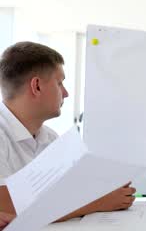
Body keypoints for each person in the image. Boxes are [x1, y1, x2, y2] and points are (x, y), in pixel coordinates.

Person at [0, 41, 136, 220]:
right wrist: (98, 202)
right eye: (59, 83)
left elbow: (65, 194)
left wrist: (104, 188)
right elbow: (7, 205)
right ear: (37, 86)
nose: (66, 93)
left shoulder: (49, 137)